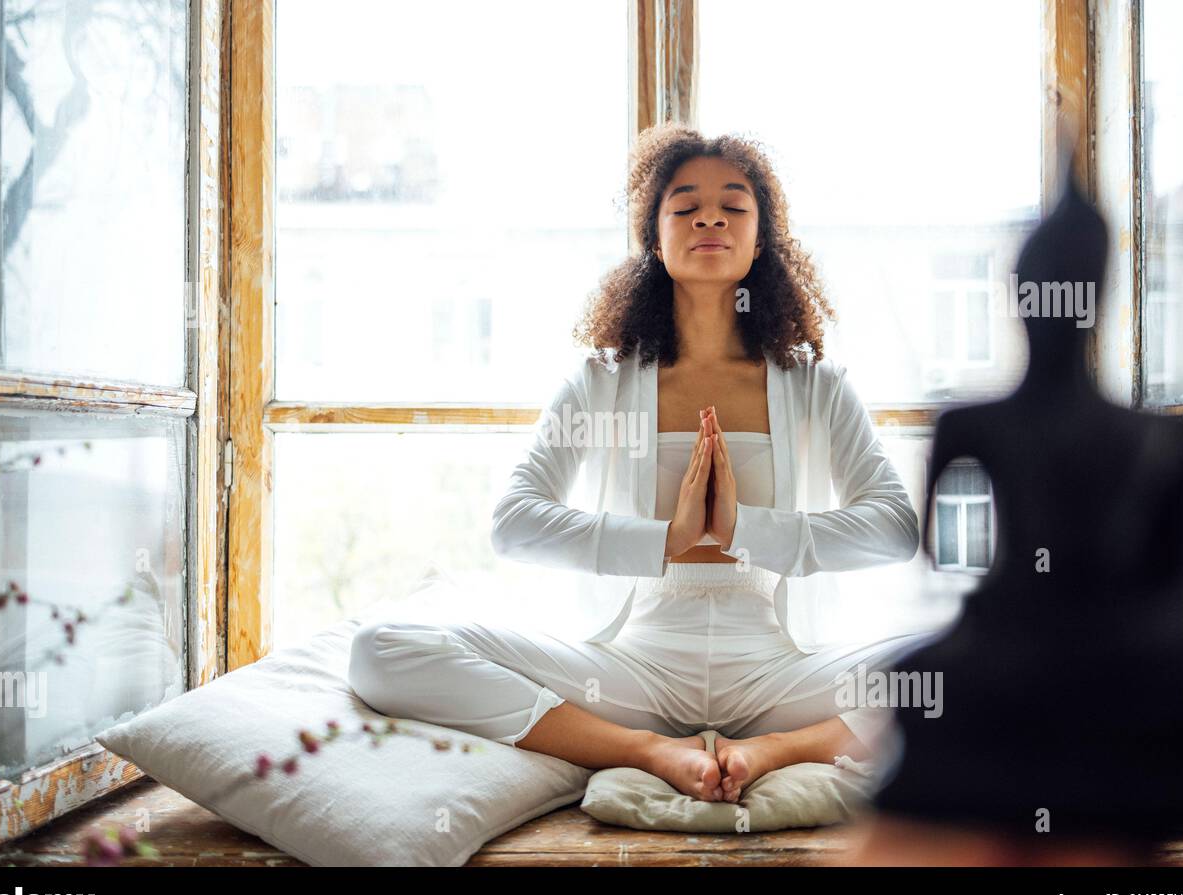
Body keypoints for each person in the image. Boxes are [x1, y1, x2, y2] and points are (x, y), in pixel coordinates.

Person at [349, 123, 936, 804]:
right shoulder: (601, 383)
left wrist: (747, 527)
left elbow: (893, 526)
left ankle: (775, 750)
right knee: (383, 645)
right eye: (685, 207)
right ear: (654, 238)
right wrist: (668, 539)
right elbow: (514, 523)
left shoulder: (817, 386)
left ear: (761, 237)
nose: (709, 217)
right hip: (635, 665)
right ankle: (650, 751)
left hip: (774, 665)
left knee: (967, 670)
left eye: (733, 206)